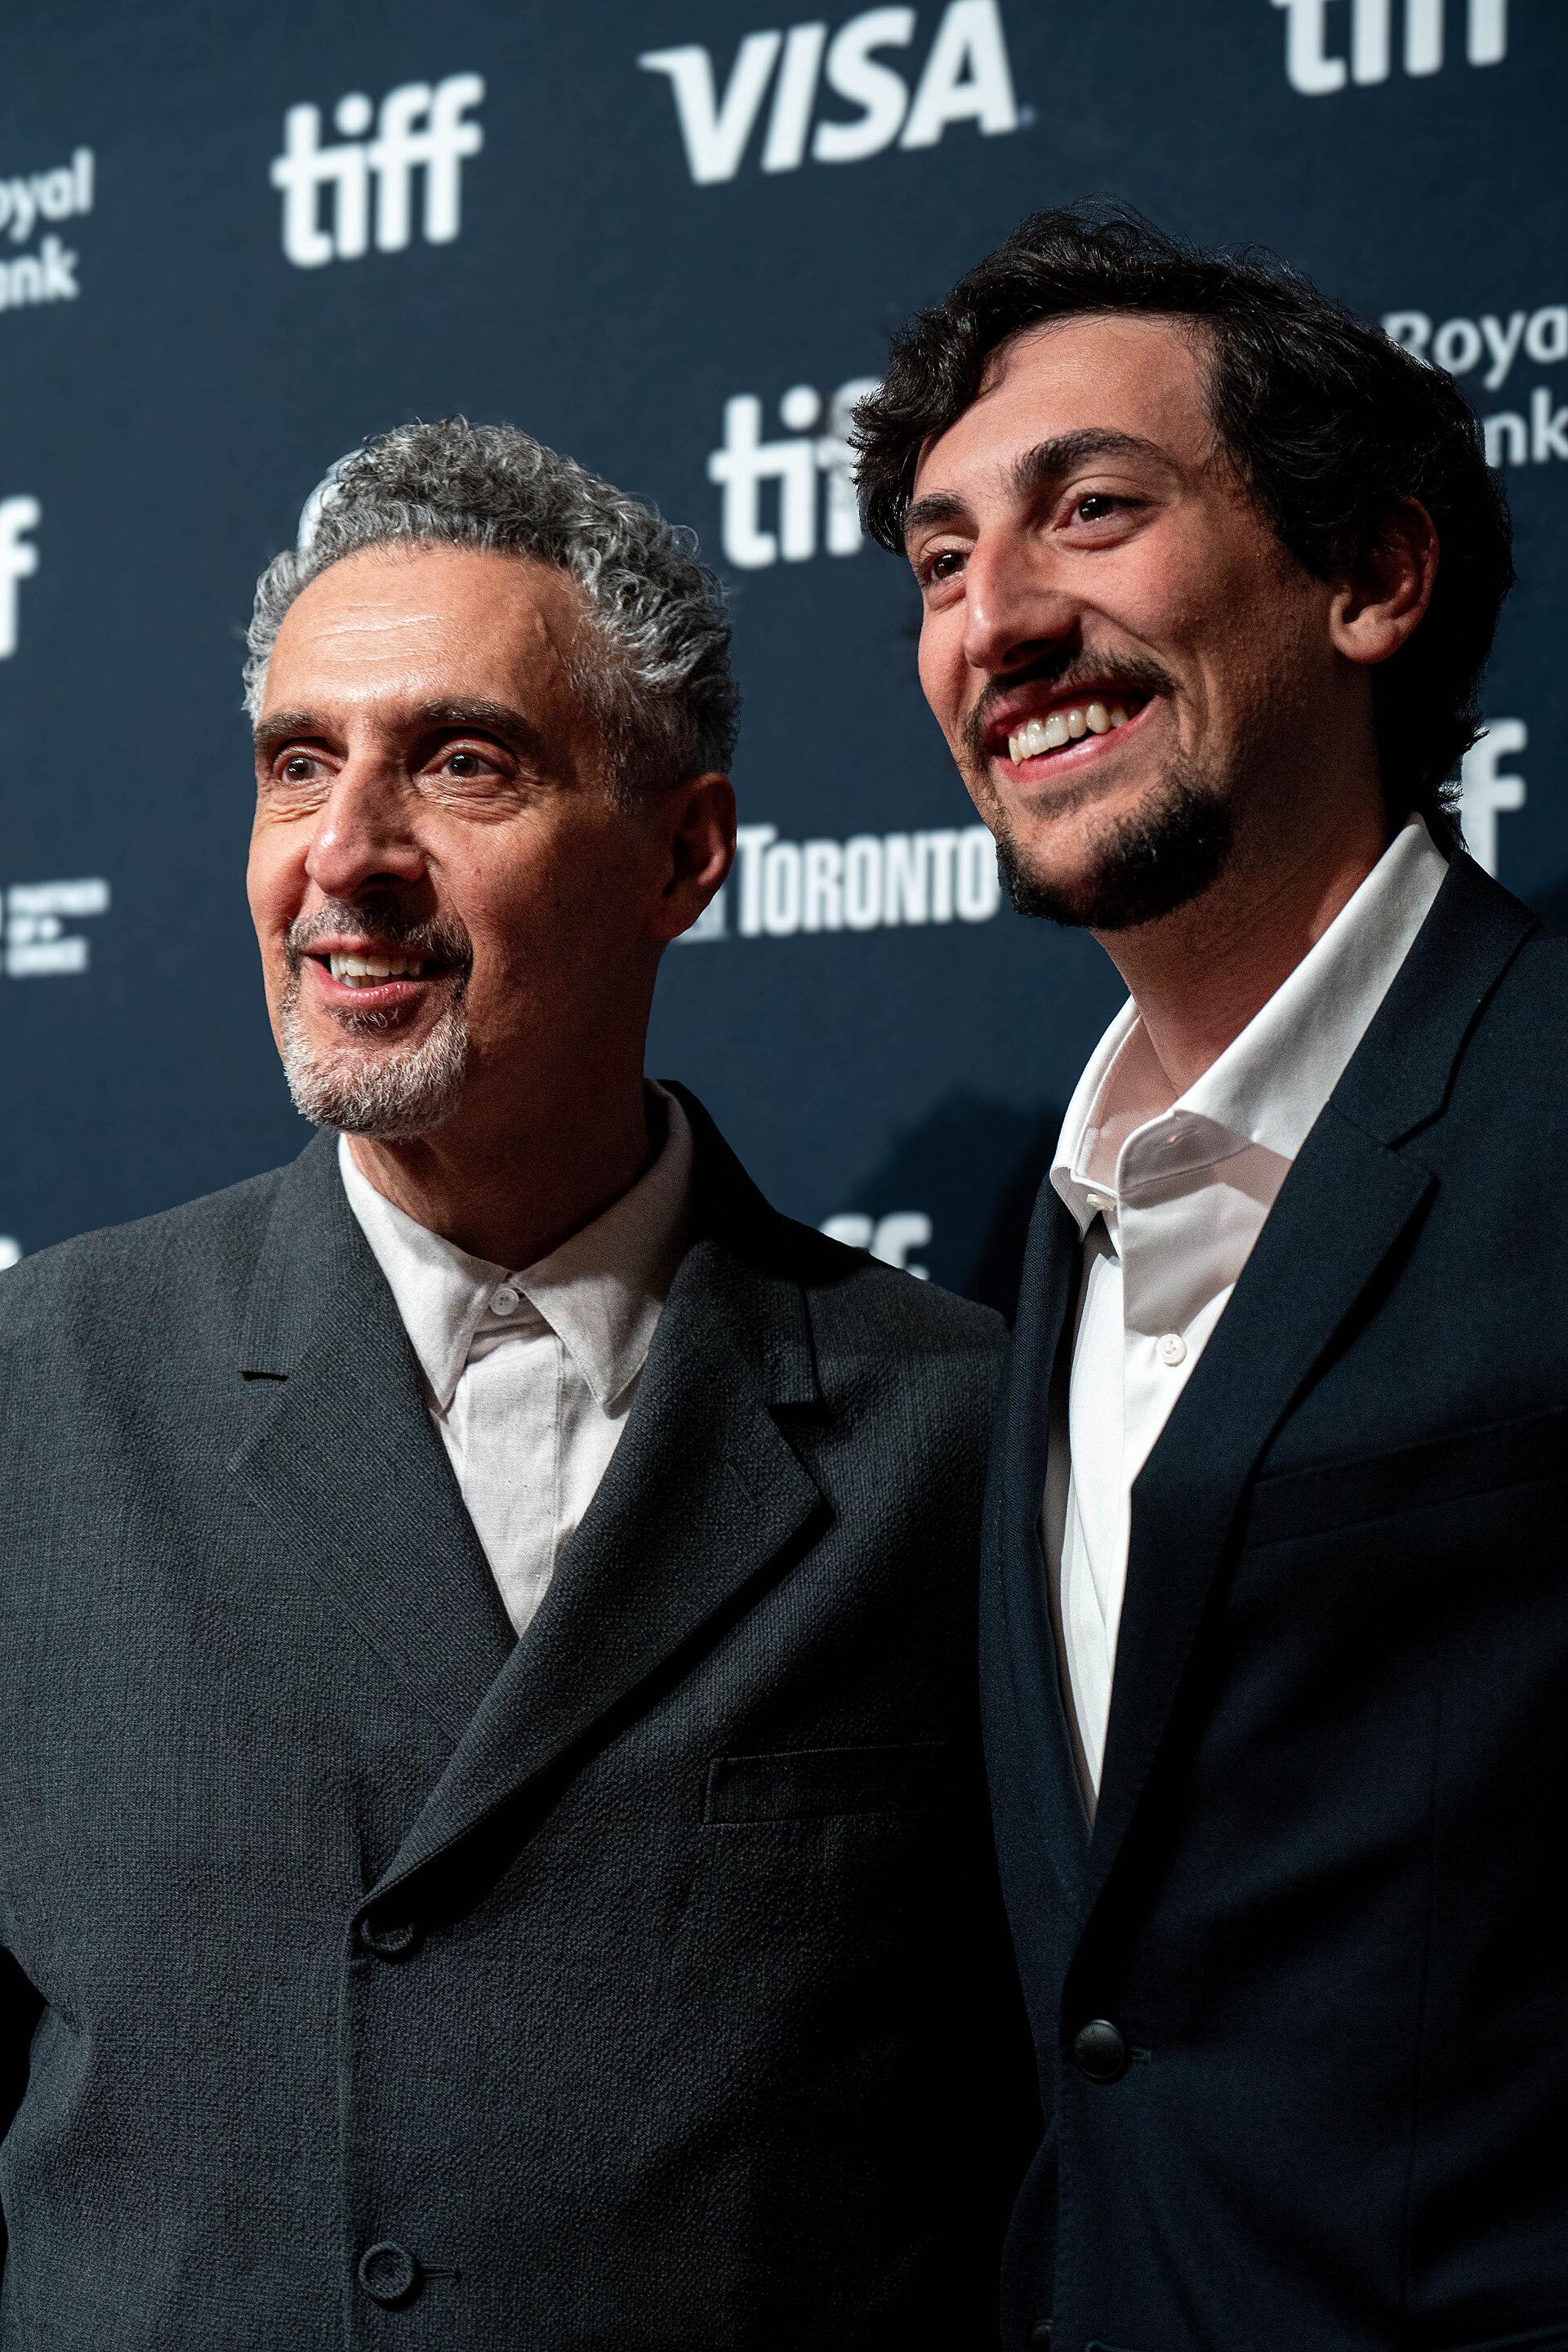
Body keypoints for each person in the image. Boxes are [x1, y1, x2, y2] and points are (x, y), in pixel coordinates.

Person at [0, 419, 1034, 2350]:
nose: (346, 859)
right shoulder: (35, 1395)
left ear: (684, 857)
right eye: (298, 765)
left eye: (462, 763)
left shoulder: (956, 1431)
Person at [853, 206, 1564, 2351]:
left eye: (1090, 515)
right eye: (942, 561)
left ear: (1369, 576)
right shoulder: (1044, 1238)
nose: (1002, 618)